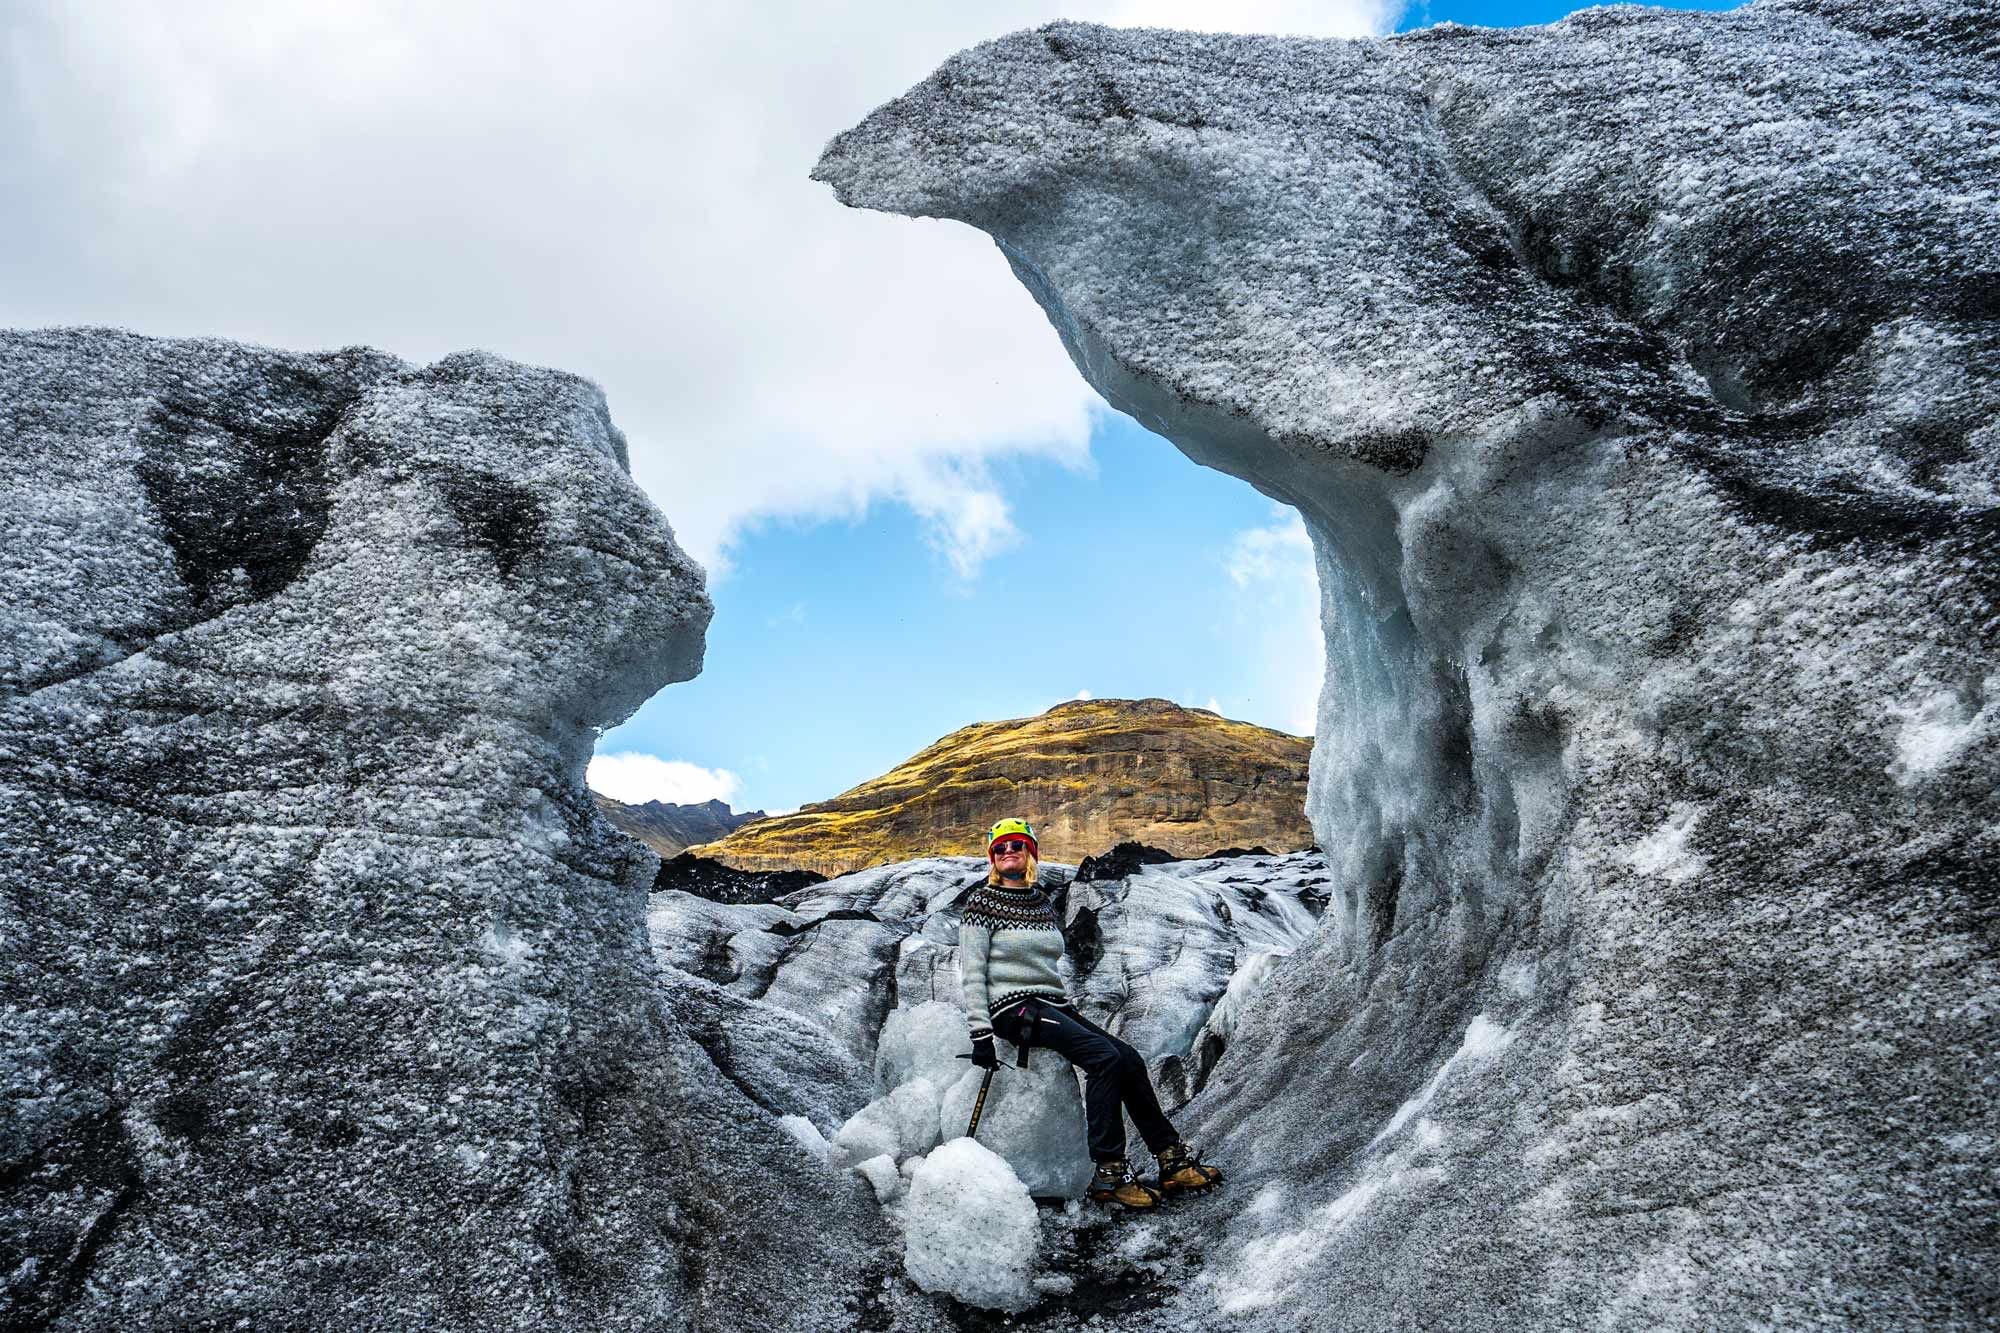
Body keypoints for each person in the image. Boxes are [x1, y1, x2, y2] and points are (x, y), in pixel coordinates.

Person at [958, 816, 1224, 1210]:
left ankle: (1170, 1158)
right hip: (1012, 1008)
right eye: (999, 848)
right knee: (1103, 1059)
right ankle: (1110, 1172)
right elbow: (973, 968)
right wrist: (981, 1032)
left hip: (1050, 1003)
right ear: (991, 858)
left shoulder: (1040, 903)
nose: (1008, 852)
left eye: (1016, 845)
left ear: (1030, 852)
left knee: (1129, 1059)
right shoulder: (983, 902)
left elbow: (1046, 964)